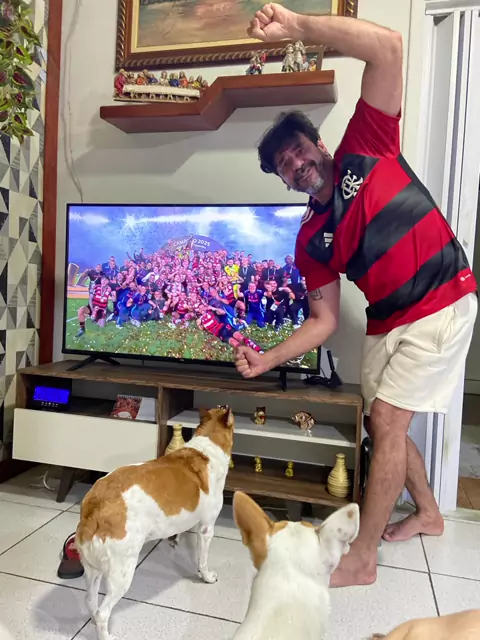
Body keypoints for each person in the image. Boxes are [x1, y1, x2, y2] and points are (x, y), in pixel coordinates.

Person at [234, 3, 478, 588]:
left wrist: (297, 26)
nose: (296, 163)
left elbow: (388, 46)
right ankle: (428, 513)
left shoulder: (366, 145)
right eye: (284, 165)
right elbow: (322, 321)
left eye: (298, 149)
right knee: (378, 421)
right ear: (283, 180)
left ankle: (363, 557)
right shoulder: (309, 239)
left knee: (388, 420)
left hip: (442, 297)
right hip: (387, 318)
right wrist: (265, 360)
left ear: (318, 143)